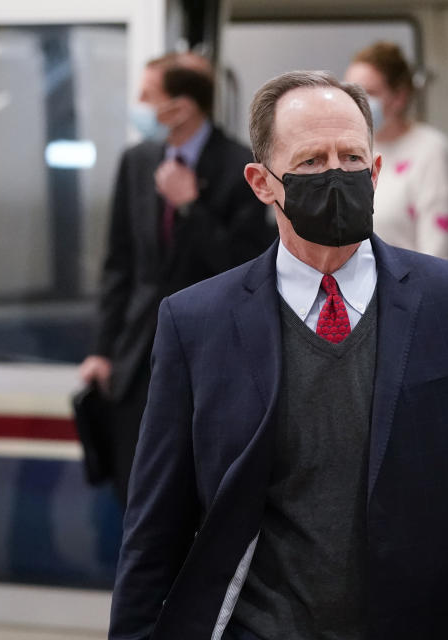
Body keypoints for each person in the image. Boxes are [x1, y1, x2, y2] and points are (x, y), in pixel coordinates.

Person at [109, 70, 448, 640]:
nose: (336, 175)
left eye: (351, 158)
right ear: (262, 182)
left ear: (375, 171)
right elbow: (156, 525)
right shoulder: (196, 323)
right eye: (311, 161)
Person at [78, 52, 273, 508]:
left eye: (148, 96)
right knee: (135, 495)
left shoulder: (241, 166)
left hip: (210, 360)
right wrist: (104, 350)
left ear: (182, 107)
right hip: (136, 362)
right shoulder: (137, 161)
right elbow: (119, 265)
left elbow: (247, 264)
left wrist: (191, 207)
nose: (139, 105)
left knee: (198, 501)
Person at [343, 42, 448, 259]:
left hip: (409, 284)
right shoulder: (348, 150)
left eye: (369, 92)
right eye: (350, 91)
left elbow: (437, 248)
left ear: (399, 96)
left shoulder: (430, 149)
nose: (357, 101)